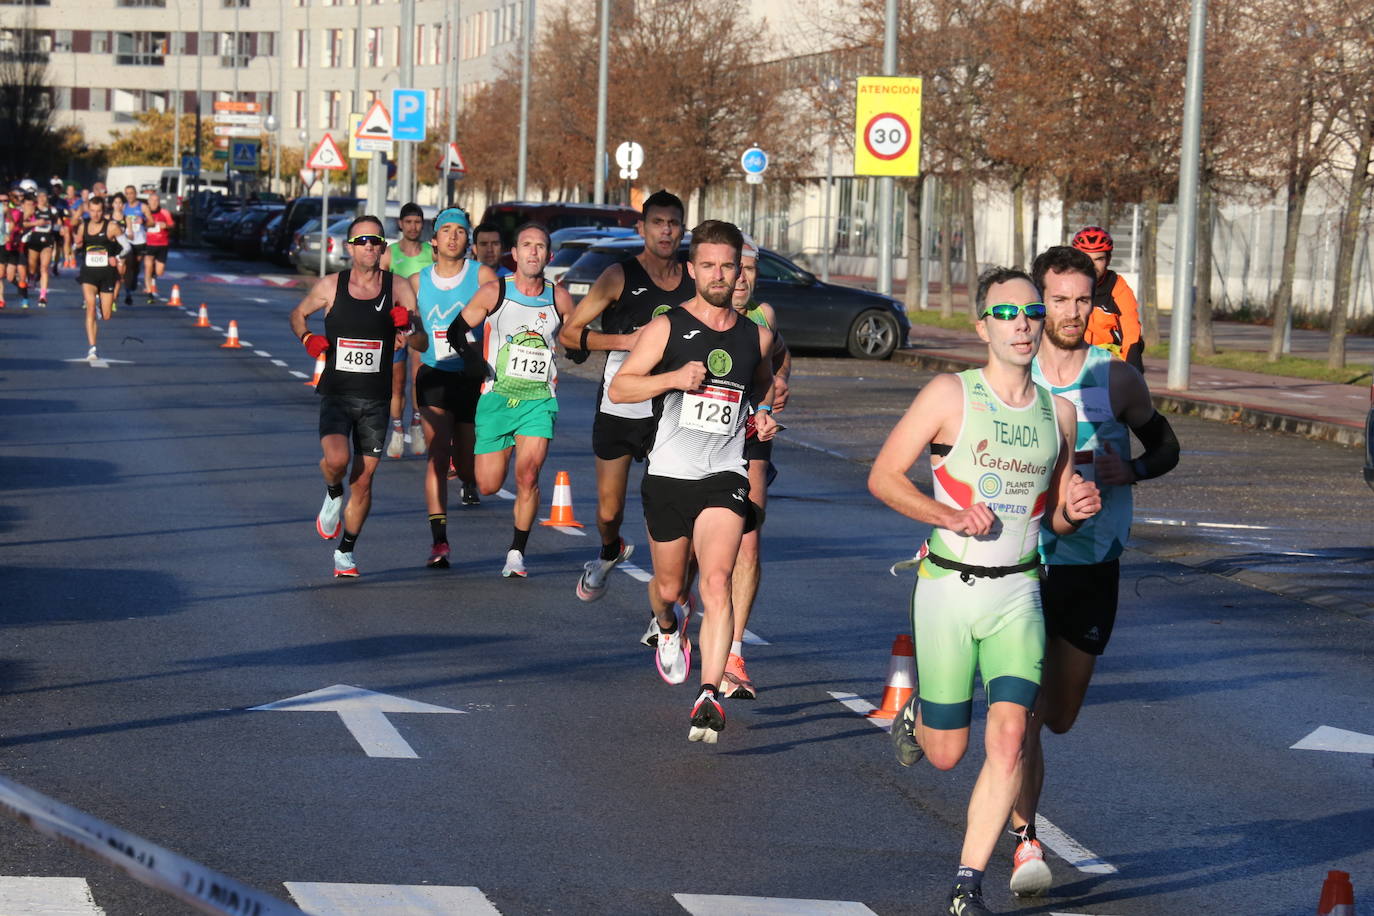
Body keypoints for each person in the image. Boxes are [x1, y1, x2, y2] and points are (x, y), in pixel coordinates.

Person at [869, 266, 1101, 916]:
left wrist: (1074, 509)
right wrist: (946, 515)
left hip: (1019, 596)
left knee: (1011, 739)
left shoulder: (1059, 414)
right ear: (983, 328)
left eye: (1031, 312)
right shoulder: (950, 394)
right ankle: (916, 713)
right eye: (1007, 314)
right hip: (948, 590)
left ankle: (968, 882)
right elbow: (884, 477)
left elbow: (1051, 513)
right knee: (946, 755)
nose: (1023, 323)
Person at [1005, 246, 1180, 897]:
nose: (1073, 312)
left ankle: (1023, 761)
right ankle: (1025, 841)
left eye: (1083, 300)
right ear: (1038, 303)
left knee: (1060, 715)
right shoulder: (1012, 375)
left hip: (1094, 563)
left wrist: (1128, 468)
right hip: (1025, 561)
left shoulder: (1114, 380)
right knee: (1021, 712)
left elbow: (1166, 445)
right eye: (1060, 300)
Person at [609, 219, 778, 744]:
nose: (719, 274)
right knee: (668, 589)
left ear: (740, 270)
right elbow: (620, 387)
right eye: (708, 264)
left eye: (728, 265)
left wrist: (764, 415)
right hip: (668, 475)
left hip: (724, 474)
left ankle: (709, 691)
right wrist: (673, 379)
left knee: (716, 580)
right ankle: (666, 627)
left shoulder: (758, 335)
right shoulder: (667, 327)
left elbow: (764, 390)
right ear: (691, 269)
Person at [558, 190, 694, 605]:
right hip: (621, 402)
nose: (666, 230)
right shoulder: (619, 275)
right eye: (658, 222)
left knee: (667, 512)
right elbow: (569, 332)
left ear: (682, 228)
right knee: (607, 511)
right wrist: (626, 340)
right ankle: (609, 547)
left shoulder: (693, 279)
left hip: (671, 408)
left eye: (673, 223)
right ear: (642, 228)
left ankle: (667, 601)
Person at [288, 215, 426, 578]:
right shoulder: (331, 285)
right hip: (337, 392)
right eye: (361, 240)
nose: (368, 246)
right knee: (337, 460)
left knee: (363, 481)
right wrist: (307, 338)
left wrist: (408, 326)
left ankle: (345, 551)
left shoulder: (398, 288)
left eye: (375, 240)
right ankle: (333, 492)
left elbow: (422, 342)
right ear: (349, 247)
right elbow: (298, 314)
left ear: (383, 247)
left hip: (376, 400)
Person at [446, 222, 572, 578]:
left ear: (549, 255)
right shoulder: (494, 292)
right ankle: (474, 455)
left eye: (541, 246)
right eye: (526, 245)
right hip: (497, 397)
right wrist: (472, 359)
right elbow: (457, 329)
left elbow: (576, 335)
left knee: (528, 474)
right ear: (514, 254)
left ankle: (516, 552)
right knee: (487, 484)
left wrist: (579, 349)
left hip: (538, 400)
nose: (534, 252)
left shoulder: (558, 297)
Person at [717, 233, 791, 699]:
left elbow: (781, 356)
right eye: (734, 268)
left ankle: (734, 654)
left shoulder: (764, 318)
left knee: (747, 545)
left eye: (750, 270)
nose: (742, 279)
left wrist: (780, 382)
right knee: (690, 557)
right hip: (694, 444)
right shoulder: (690, 316)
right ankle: (673, 613)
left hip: (749, 437)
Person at [410, 208, 494, 568]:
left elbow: (500, 317)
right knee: (436, 456)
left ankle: (468, 479)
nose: (452, 236)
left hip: (472, 379)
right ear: (434, 240)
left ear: (468, 240)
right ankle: (439, 541)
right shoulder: (415, 282)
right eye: (445, 230)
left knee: (466, 463)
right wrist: (407, 337)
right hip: (434, 375)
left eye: (459, 231)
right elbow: (414, 335)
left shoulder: (483, 276)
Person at [381, 202, 435, 459]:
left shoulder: (429, 253)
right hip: (396, 325)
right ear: (400, 224)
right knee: (397, 382)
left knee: (418, 378)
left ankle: (416, 426)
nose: (414, 227)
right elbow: (380, 289)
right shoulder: (390, 254)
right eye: (409, 222)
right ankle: (396, 430)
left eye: (418, 222)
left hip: (421, 324)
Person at [1070, 226, 1143, 373]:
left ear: (1108, 260)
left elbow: (1131, 332)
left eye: (1099, 259)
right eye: (1086, 259)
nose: (1092, 266)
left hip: (1105, 364)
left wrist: (1133, 373)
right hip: (1068, 360)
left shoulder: (1117, 287)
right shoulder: (1063, 283)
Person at [74, 196, 127, 361]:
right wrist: (76, 245)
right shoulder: (83, 227)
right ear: (88, 210)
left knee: (106, 315)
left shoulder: (112, 227)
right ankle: (92, 348)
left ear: (103, 211)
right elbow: (76, 247)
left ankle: (101, 302)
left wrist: (116, 257)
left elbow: (127, 247)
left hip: (107, 275)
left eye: (98, 211)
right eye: (92, 211)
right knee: (90, 307)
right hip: (89, 273)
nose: (95, 215)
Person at [22, 190, 58, 306]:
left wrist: (59, 228)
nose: (42, 199)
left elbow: (59, 223)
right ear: (37, 199)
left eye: (44, 196)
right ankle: (32, 277)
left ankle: (43, 296)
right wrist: (36, 223)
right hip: (34, 240)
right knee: (32, 267)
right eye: (40, 197)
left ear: (47, 198)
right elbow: (23, 223)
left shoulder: (52, 210)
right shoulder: (33, 209)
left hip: (47, 240)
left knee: (44, 268)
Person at [140, 190, 174, 301]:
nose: (154, 203)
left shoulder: (164, 212)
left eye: (156, 201)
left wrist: (167, 226)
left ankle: (153, 274)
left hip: (162, 244)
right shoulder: (144, 212)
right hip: (148, 244)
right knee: (148, 266)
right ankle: (149, 291)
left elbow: (172, 225)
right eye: (152, 200)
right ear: (148, 202)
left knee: (160, 271)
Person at [2, 186, 30, 309]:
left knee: (10, 277)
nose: (3, 204)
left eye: (5, 201)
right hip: (1, 247)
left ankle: (24, 295)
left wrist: (7, 212)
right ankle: (1, 299)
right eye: (0, 202)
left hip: (13, 247)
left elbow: (16, 225)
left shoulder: (17, 213)